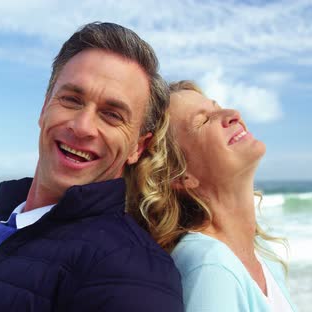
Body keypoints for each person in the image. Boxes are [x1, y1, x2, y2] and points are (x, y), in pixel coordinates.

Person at [0, 22, 183, 312]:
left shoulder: (132, 270)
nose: (82, 127)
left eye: (111, 115)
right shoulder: (11, 222)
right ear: (45, 106)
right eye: (71, 100)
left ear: (138, 147)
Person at [126, 80, 297, 311]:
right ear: (181, 175)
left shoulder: (262, 258)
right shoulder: (209, 266)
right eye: (204, 120)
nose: (233, 114)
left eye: (217, 108)